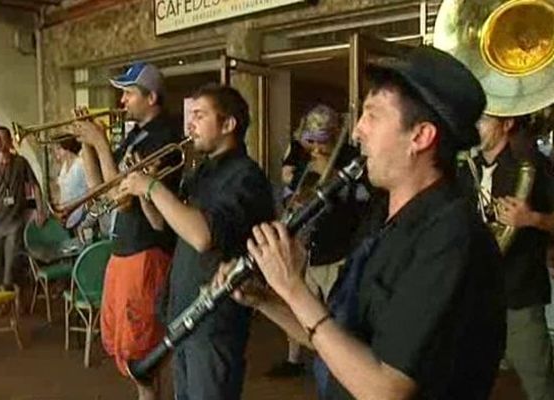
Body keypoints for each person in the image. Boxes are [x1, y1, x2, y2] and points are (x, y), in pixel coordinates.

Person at [217, 46, 507, 399]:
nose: (357, 132)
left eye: (372, 115)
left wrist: (293, 286)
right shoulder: (382, 219)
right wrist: (268, 298)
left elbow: (386, 389)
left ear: (420, 137)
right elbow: (337, 337)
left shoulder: (451, 238)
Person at [120, 84, 275, 400]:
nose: (190, 124)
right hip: (184, 310)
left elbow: (204, 237)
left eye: (200, 116)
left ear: (228, 124)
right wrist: (145, 195)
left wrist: (151, 188)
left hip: (214, 319)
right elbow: (164, 225)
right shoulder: (201, 171)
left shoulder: (246, 177)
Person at [72, 62, 180, 400]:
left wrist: (101, 143)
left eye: (129, 94)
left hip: (146, 251)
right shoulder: (137, 134)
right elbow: (100, 191)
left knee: (142, 350)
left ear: (151, 97)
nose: (122, 102)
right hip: (123, 250)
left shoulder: (164, 136)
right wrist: (88, 145)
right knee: (123, 346)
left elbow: (123, 201)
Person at [459, 113, 554, 400]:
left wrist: (532, 218)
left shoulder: (533, 167)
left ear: (506, 124)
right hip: (474, 295)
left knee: (540, 384)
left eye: (483, 121)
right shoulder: (466, 170)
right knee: (468, 380)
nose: (476, 127)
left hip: (518, 296)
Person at [268, 104, 365, 378]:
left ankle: (343, 365)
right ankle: (294, 359)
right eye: (311, 141)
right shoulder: (303, 165)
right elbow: (288, 199)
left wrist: (340, 190)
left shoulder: (349, 165)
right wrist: (294, 198)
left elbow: (361, 207)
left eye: (322, 141)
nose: (316, 148)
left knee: (337, 315)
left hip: (338, 251)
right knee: (299, 309)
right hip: (307, 249)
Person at [0, 126, 46, 289]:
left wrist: (40, 210)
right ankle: (2, 301)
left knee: (12, 264)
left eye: (1, 138)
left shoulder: (20, 163)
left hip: (14, 223)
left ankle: (15, 300)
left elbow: (35, 187)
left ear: (9, 141)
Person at [52, 137, 89, 230]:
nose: (56, 152)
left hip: (80, 216)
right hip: (66, 217)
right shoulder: (64, 167)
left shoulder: (80, 164)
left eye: (59, 149)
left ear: (66, 148)